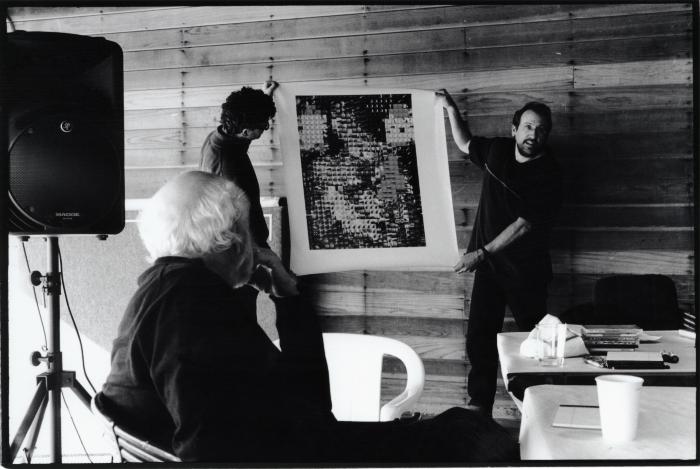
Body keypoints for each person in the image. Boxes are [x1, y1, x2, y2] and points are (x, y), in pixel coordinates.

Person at [95, 171, 518, 463]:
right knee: (469, 439)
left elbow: (309, 406)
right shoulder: (191, 307)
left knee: (464, 432)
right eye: (247, 229)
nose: (256, 242)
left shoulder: (163, 292)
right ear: (226, 238)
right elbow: (212, 450)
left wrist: (289, 298)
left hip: (299, 445)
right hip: (299, 455)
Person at [437, 89, 562, 417]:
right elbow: (465, 144)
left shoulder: (550, 173)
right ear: (514, 129)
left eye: (541, 130)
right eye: (528, 127)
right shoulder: (496, 151)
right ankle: (479, 413)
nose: (534, 134)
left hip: (527, 273)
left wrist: (482, 252)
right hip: (491, 270)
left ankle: (539, 412)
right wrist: (451, 109)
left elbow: (523, 225)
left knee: (535, 347)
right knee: (479, 340)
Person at [199, 82, 282, 319]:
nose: (265, 128)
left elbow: (242, 139)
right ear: (245, 131)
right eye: (263, 125)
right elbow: (245, 228)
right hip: (234, 255)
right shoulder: (230, 169)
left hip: (228, 253)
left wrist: (262, 101)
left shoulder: (220, 137)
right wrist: (272, 265)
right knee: (241, 324)